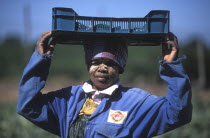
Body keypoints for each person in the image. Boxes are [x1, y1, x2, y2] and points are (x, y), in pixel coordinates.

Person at [17, 31, 192, 138]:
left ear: (120, 68)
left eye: (111, 64)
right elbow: (28, 106)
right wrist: (41, 61)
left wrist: (171, 67)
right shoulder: (69, 98)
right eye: (96, 62)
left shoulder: (137, 102)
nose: (102, 68)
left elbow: (178, 113)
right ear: (88, 65)